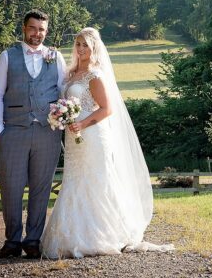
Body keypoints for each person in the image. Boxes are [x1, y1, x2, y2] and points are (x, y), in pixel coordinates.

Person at [40, 27, 173, 258]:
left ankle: (101, 235)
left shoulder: (95, 75)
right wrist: (61, 116)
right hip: (72, 137)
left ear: (94, 49)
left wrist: (82, 124)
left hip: (91, 135)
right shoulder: (71, 74)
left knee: (95, 180)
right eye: (78, 44)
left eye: (85, 45)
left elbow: (106, 109)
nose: (81, 49)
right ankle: (69, 234)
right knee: (74, 179)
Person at [0, 9, 67, 259]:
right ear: (24, 29)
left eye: (42, 29)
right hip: (13, 131)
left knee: (41, 188)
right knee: (10, 186)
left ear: (46, 31)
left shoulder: (56, 57)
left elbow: (63, 93)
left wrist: (62, 120)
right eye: (33, 28)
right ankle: (11, 241)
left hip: (47, 133)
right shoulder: (7, 56)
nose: (37, 34)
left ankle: (32, 241)